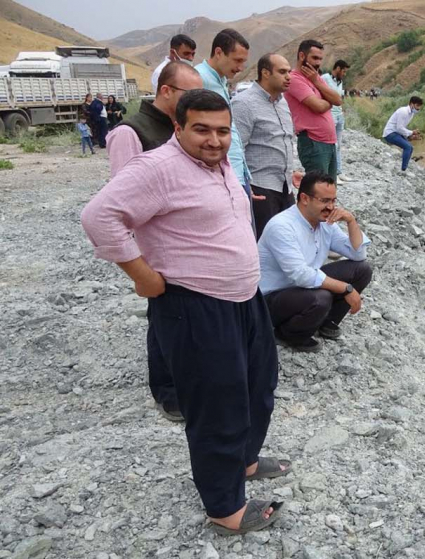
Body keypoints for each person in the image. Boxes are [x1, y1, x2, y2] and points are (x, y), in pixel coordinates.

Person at [80, 89, 286, 535]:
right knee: (217, 406)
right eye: (202, 130)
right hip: (196, 306)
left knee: (258, 385)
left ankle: (245, 462)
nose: (214, 140)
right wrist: (143, 276)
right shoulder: (158, 168)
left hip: (244, 299)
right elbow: (98, 216)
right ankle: (225, 509)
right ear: (178, 127)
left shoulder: (219, 162)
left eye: (222, 131)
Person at [105, 62, 204, 422]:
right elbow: (119, 202)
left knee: (186, 315)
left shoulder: (177, 128)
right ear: (166, 91)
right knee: (164, 318)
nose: (193, 101)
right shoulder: (130, 133)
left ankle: (188, 379)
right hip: (156, 247)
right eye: (188, 94)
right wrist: (137, 265)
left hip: (186, 242)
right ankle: (167, 391)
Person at [258, 171, 372, 352]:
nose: (331, 207)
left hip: (299, 288)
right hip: (271, 298)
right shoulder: (282, 226)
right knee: (321, 298)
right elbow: (301, 275)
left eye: (334, 200)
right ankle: (288, 334)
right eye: (325, 201)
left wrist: (351, 221)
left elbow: (358, 255)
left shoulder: (325, 223)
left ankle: (325, 323)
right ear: (304, 198)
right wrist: (346, 289)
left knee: (362, 270)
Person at [233, 53, 303, 239]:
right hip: (260, 189)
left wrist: (289, 170)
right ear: (265, 73)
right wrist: (243, 186)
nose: (289, 76)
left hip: (285, 187)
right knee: (264, 244)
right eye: (282, 72)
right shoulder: (244, 103)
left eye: (289, 71)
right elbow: (235, 149)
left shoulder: (283, 103)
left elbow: (279, 141)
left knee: (285, 242)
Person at [108, 61, 203, 177]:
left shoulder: (184, 127)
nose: (197, 101)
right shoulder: (128, 132)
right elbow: (124, 190)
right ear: (166, 91)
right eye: (192, 94)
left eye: (200, 95)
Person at [196, 28, 252, 193]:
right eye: (237, 60)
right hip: (219, 177)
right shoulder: (199, 78)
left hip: (235, 172)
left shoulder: (220, 80)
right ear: (219, 52)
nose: (241, 68)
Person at [285, 40, 342, 176]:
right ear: (302, 56)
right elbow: (318, 107)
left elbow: (338, 100)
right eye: (315, 58)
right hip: (313, 143)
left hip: (328, 142)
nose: (318, 63)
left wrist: (316, 81)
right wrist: (329, 101)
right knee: (318, 191)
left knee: (329, 190)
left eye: (320, 59)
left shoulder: (314, 77)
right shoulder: (294, 79)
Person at [320, 59, 352, 184]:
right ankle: (332, 175)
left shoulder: (340, 82)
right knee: (332, 145)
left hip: (339, 115)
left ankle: (339, 171)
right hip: (330, 116)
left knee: (338, 145)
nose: (344, 74)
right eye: (343, 71)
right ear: (337, 68)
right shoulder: (325, 78)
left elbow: (338, 97)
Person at [382, 96, 423, 172]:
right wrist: (412, 132)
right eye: (417, 106)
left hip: (396, 133)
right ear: (411, 104)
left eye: (419, 107)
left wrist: (411, 136)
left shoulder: (411, 114)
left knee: (411, 147)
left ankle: (406, 165)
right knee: (407, 147)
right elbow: (399, 128)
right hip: (390, 133)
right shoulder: (403, 112)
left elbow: (402, 129)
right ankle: (403, 170)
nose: (418, 109)